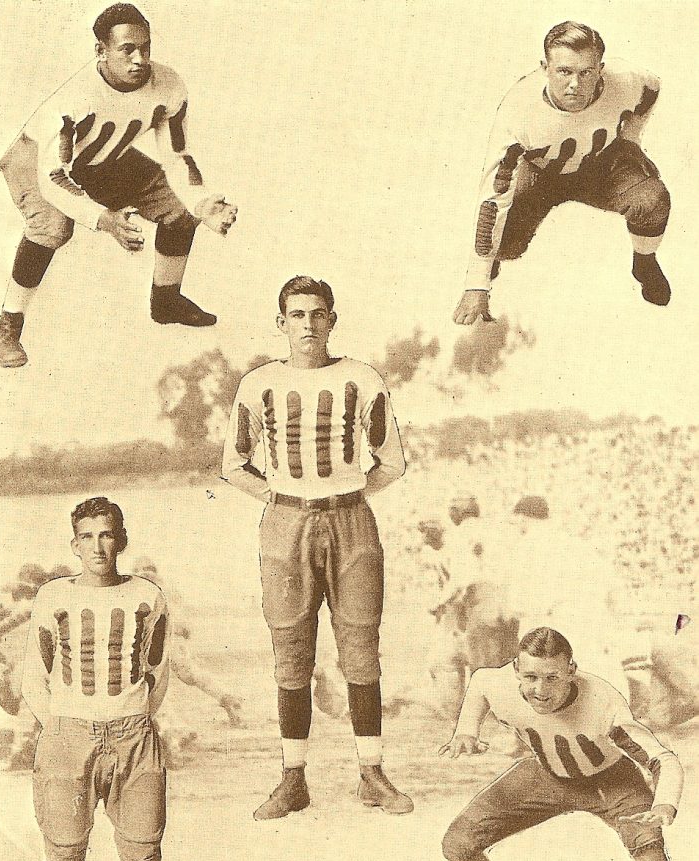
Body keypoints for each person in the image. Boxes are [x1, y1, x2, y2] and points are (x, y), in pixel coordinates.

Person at [221, 275, 413, 819]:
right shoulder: (258, 384)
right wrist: (285, 498)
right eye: (297, 315)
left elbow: (391, 460)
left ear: (332, 320)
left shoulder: (362, 378)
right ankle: (292, 780)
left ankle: (372, 774)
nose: (308, 324)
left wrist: (345, 495)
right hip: (286, 525)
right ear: (281, 323)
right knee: (291, 653)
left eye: (317, 314)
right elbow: (233, 464)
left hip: (352, 523)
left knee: (360, 649)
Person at [438, 627, 684, 861]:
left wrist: (665, 803)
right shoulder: (498, 682)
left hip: (611, 780)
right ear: (516, 668)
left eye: (552, 677)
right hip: (546, 774)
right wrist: (467, 730)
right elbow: (480, 685)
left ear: (572, 670)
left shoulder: (604, 705)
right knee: (458, 844)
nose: (540, 689)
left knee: (647, 844)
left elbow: (663, 759)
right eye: (531, 676)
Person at [0, 3, 237, 368]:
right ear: (101, 51)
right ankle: (9, 325)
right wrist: (105, 219)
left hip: (102, 156)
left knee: (182, 211)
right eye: (127, 49)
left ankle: (166, 301)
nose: (140, 58)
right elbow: (54, 177)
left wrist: (201, 201)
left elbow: (176, 154)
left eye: (146, 47)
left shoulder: (168, 84)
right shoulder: (74, 98)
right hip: (38, 164)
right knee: (53, 227)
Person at [21, 497, 187, 861]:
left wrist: (129, 718)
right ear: (74, 545)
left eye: (107, 535)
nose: (98, 546)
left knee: (144, 860)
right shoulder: (54, 597)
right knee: (63, 859)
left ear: (121, 540)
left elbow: (157, 669)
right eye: (87, 537)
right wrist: (63, 728)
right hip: (68, 736)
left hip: (134, 737)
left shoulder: (147, 596)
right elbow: (35, 672)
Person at [453, 21, 671, 326]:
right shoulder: (518, 111)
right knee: (506, 244)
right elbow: (493, 197)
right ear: (545, 67)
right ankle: (492, 264)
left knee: (652, 200)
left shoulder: (624, 79)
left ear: (600, 68)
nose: (575, 85)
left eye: (586, 73)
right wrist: (476, 283)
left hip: (599, 165)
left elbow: (652, 88)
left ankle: (644, 263)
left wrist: (632, 137)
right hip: (541, 175)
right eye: (564, 71)